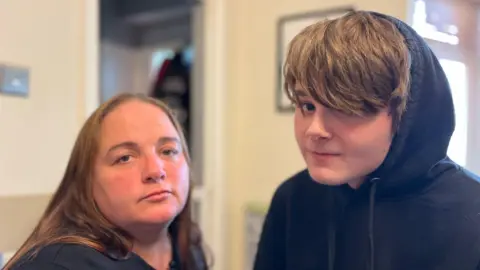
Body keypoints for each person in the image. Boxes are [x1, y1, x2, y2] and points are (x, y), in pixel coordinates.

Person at [253, 10, 480, 270]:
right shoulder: (293, 199)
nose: (315, 130)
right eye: (307, 106)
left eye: (344, 109)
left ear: (403, 113)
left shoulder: (471, 215)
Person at [4, 93, 209, 270]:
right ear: (87, 181)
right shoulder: (55, 266)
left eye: (168, 151)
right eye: (125, 158)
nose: (156, 171)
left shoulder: (186, 244)